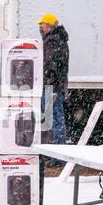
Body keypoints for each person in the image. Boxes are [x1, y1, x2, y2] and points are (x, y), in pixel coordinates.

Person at [37, 13, 70, 145]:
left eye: (43, 26)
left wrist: (47, 81)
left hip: (51, 87)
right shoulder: (59, 40)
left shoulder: (52, 41)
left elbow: (49, 65)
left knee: (53, 119)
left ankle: (58, 150)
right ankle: (58, 148)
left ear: (49, 26)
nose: (41, 28)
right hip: (56, 86)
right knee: (55, 117)